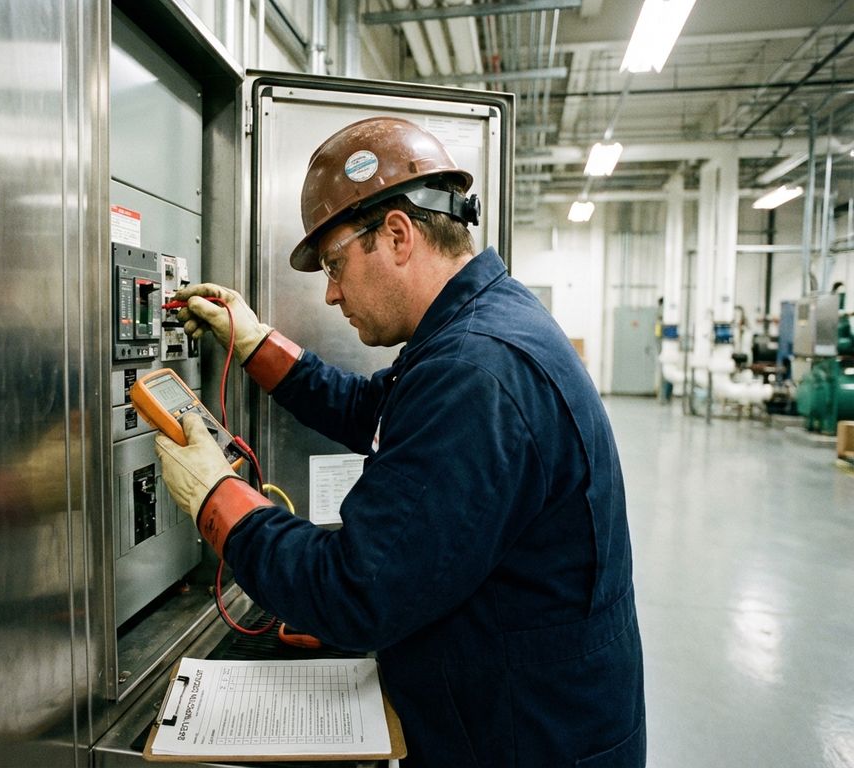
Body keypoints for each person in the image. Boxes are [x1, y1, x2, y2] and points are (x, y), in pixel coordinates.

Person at [156, 116, 645, 767]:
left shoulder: (477, 370)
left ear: (396, 235)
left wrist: (217, 496)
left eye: (334, 264)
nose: (331, 293)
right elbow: (371, 408)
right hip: (514, 715)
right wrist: (252, 342)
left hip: (526, 739)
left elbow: (357, 591)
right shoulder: (473, 329)